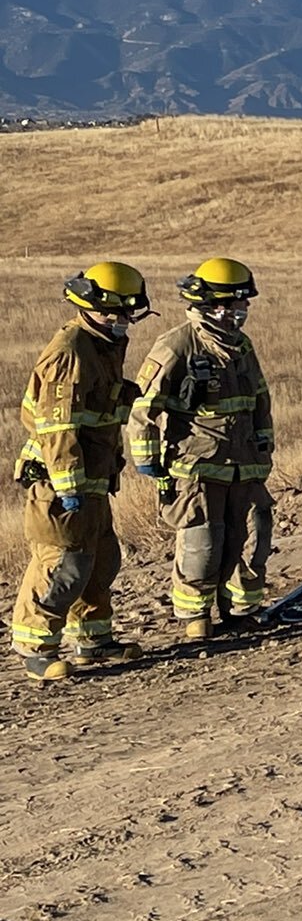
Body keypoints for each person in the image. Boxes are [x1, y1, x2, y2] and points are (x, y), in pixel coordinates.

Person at [11, 264, 152, 679]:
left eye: (130, 314)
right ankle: (36, 646)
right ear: (91, 306)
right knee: (63, 565)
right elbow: (57, 428)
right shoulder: (70, 351)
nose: (125, 322)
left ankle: (93, 639)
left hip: (91, 480)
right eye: (117, 313)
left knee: (101, 561)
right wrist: (68, 485)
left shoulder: (103, 344)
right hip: (59, 483)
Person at [128, 259, 274, 640]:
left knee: (247, 539)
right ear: (208, 304)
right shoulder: (176, 345)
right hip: (197, 467)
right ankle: (196, 616)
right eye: (229, 305)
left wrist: (263, 446)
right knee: (202, 541)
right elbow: (144, 409)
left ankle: (240, 610)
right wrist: (148, 462)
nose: (237, 313)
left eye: (242, 306)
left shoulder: (241, 346)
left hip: (244, 465)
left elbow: (259, 399)